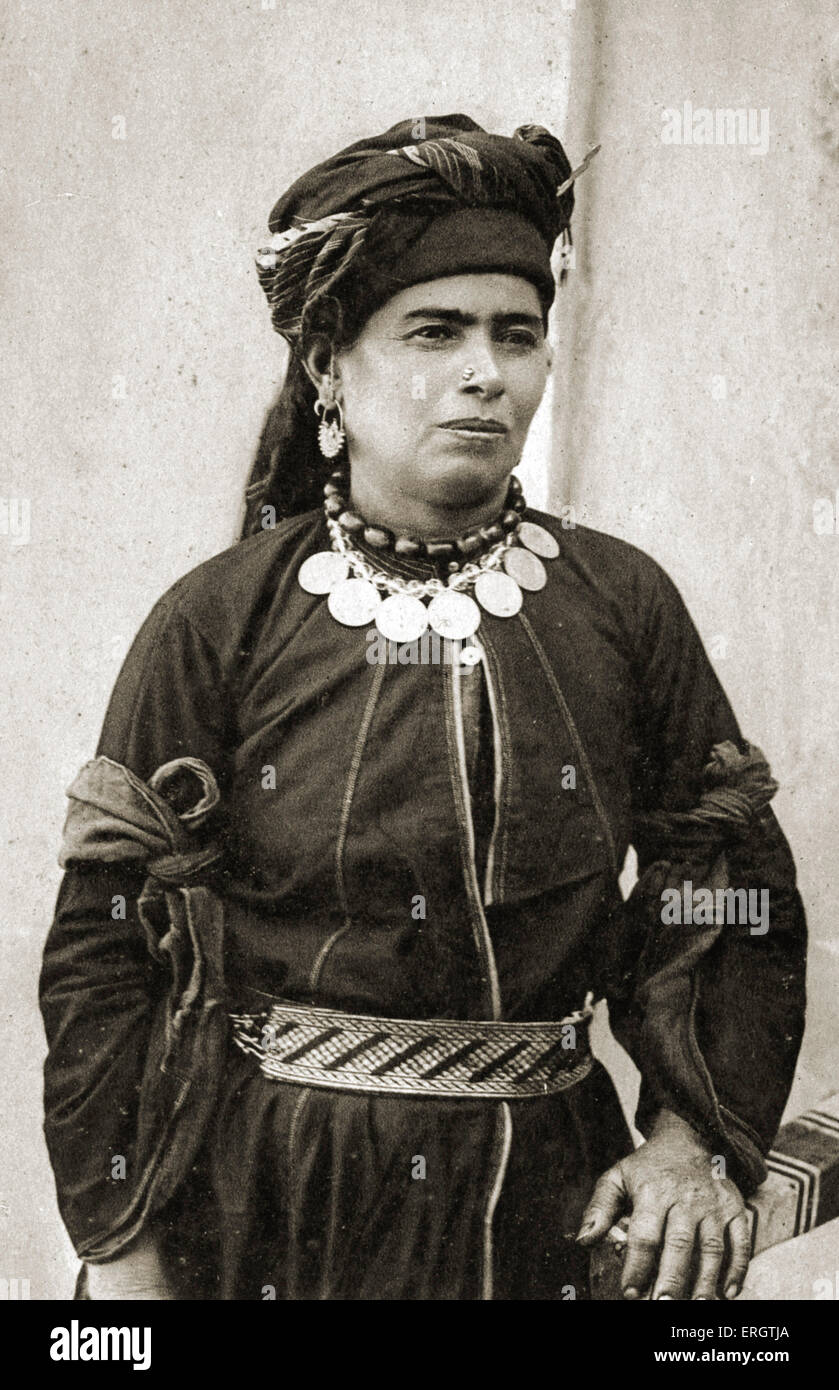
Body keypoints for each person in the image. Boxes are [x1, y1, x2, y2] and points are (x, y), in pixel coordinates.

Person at [39, 114, 807, 1301]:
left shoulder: (619, 604)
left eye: (517, 334)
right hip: (269, 1204)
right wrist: (123, 1246)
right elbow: (106, 949)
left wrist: (683, 1142)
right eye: (433, 333)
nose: (485, 372)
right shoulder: (219, 619)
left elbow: (727, 889)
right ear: (326, 368)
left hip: (544, 1201)